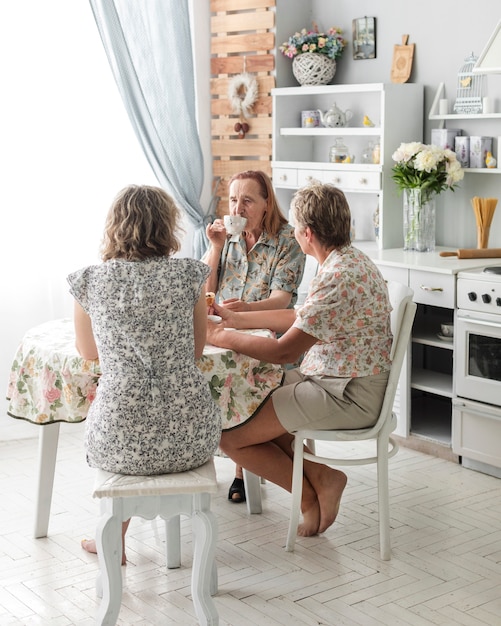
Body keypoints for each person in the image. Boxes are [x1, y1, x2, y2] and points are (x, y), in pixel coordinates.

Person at [206, 182, 393, 537]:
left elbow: (285, 352)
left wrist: (219, 335)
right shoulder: (346, 261)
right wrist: (238, 319)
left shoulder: (338, 276)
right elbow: (301, 315)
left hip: (347, 395)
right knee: (254, 403)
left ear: (306, 233)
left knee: (228, 437)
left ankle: (307, 498)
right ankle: (323, 476)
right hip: (339, 381)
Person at [67, 184, 221, 564]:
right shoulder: (190, 275)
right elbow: (196, 351)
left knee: (126, 424)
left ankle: (112, 543)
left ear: (115, 227)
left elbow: (88, 353)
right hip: (190, 436)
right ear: (168, 227)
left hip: (118, 439)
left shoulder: (90, 281)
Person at [203, 170, 306, 503]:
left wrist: (243, 310)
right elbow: (205, 295)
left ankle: (241, 468)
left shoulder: (288, 240)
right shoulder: (227, 238)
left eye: (248, 200)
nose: (239, 208)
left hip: (272, 336)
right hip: (226, 331)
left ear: (266, 203)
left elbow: (281, 301)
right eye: (234, 200)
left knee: (240, 377)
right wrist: (215, 248)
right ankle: (217, 461)